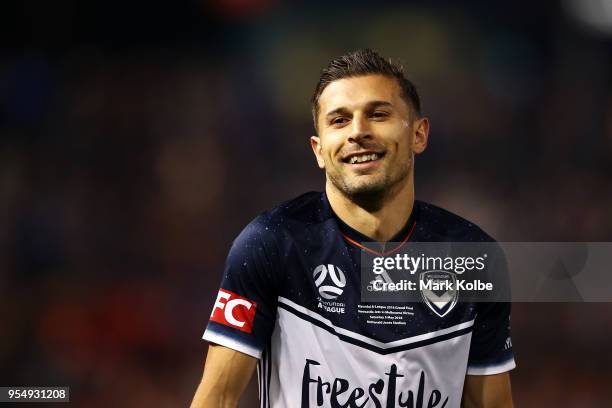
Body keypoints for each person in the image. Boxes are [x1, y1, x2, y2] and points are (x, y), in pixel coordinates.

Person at [190, 49, 515, 408]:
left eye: (378, 114)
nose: (358, 132)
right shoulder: (274, 242)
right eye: (339, 121)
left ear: (419, 134)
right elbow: (216, 398)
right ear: (318, 149)